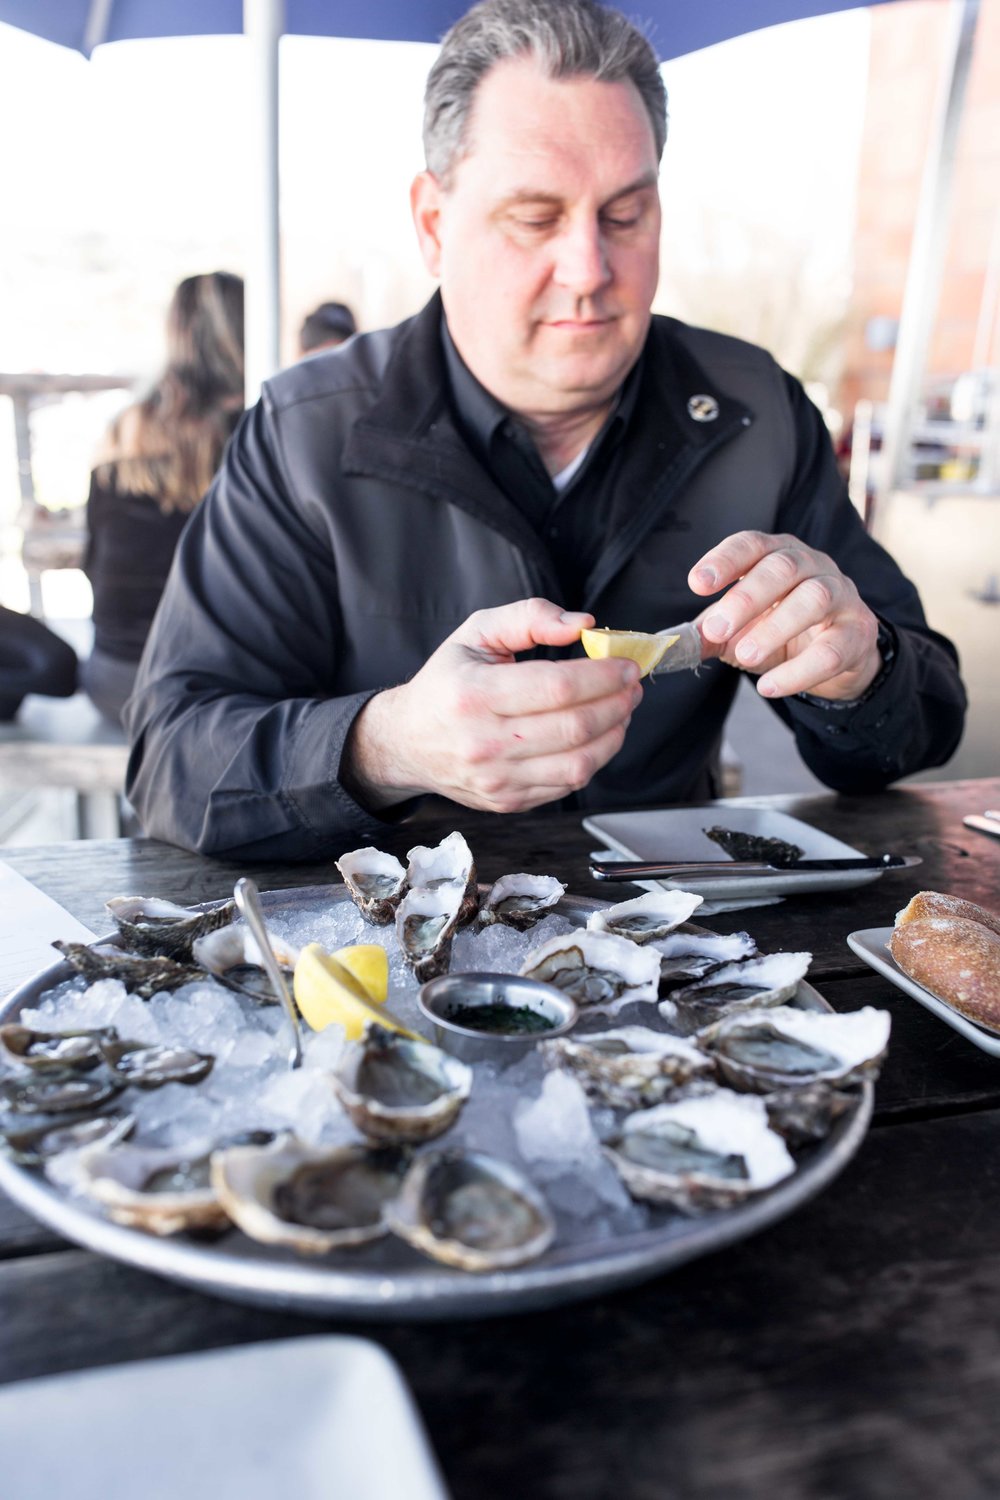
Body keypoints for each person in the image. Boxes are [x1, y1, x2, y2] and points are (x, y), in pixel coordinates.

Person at [125, 0, 965, 861]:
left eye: (625, 215)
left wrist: (864, 674)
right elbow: (171, 765)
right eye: (535, 218)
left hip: (687, 940)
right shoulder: (305, 433)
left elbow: (924, 729)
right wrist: (386, 746)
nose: (589, 270)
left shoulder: (759, 413)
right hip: (386, 949)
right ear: (433, 224)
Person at [81, 271, 244, 724]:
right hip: (202, 690)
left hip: (111, 678)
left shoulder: (125, 427)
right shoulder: (253, 430)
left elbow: (92, 560)